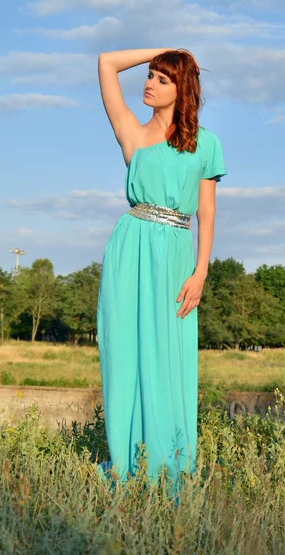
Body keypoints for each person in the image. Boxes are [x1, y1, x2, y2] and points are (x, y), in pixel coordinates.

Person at [96, 48, 227, 492]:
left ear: (182, 89)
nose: (149, 83)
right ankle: (127, 461)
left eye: (163, 78)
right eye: (150, 76)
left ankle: (168, 462)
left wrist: (200, 271)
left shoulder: (204, 143)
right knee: (125, 353)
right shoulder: (131, 132)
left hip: (174, 255)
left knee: (169, 353)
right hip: (128, 248)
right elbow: (106, 62)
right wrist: (164, 51)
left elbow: (206, 212)